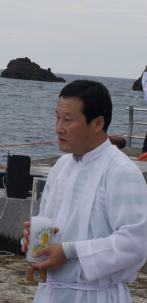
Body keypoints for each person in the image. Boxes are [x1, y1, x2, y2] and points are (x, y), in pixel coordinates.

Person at [22, 80, 147, 302]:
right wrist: (37, 238)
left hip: (95, 295)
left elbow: (134, 244)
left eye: (68, 120)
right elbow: (51, 224)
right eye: (57, 117)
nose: (58, 127)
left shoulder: (121, 171)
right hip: (50, 292)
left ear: (98, 123)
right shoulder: (61, 166)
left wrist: (70, 251)